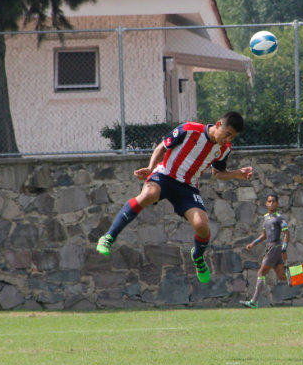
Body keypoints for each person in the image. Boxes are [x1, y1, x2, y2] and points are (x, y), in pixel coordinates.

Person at [96, 112, 254, 284]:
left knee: (202, 225)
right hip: (164, 175)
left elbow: (218, 173)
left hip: (187, 187)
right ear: (218, 124)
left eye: (233, 137)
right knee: (149, 194)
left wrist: (236, 174)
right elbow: (162, 147)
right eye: (227, 134)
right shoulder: (189, 130)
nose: (228, 139)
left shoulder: (224, 150)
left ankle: (198, 256)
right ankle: (109, 236)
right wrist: (150, 168)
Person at [240, 194, 290, 309]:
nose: (271, 203)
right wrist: (253, 243)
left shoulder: (279, 217)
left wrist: (284, 248)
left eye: (273, 201)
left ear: (277, 203)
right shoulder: (266, 217)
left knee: (261, 273)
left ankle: (254, 301)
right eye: (269, 201)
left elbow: (287, 233)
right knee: (283, 277)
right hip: (271, 247)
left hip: (275, 247)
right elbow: (264, 235)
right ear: (266, 203)